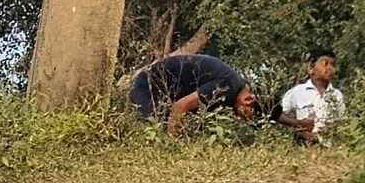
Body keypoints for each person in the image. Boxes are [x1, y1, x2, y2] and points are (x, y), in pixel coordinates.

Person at [127, 52, 259, 135]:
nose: (241, 118)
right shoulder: (227, 86)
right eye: (246, 113)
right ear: (247, 99)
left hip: (167, 91)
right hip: (147, 85)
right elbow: (180, 107)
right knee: (147, 132)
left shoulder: (235, 87)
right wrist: (171, 145)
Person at [278, 49, 348, 143]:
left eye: (333, 65)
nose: (330, 68)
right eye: (325, 64)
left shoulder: (336, 95)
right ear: (311, 68)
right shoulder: (297, 92)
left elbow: (342, 123)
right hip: (303, 148)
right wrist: (297, 125)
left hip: (329, 148)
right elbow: (280, 114)